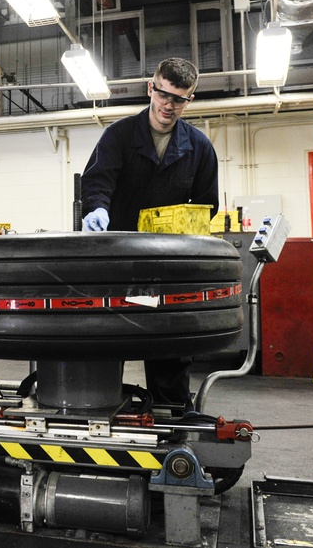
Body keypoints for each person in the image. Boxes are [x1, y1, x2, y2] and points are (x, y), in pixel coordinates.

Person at [80, 57, 218, 415]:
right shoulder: (120, 135)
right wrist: (97, 208)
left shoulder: (200, 148)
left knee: (169, 344)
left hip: (167, 265)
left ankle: (172, 415)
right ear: (150, 89)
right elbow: (97, 180)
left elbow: (207, 206)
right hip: (119, 260)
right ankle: (99, 406)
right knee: (111, 337)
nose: (169, 105)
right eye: (164, 94)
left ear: (190, 100)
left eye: (180, 99)